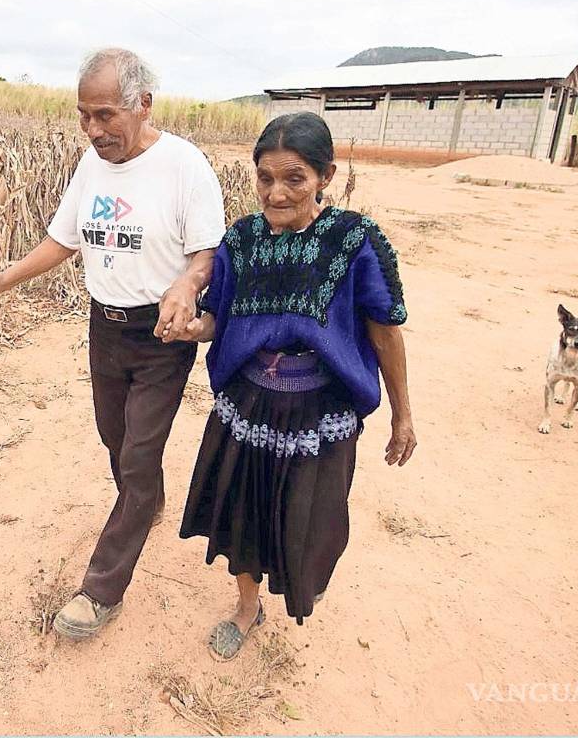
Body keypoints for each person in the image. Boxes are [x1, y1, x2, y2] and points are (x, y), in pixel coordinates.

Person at [0, 47, 227, 639]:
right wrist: (6, 278)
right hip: (104, 328)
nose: (93, 129)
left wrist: (188, 284)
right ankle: (147, 500)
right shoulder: (90, 167)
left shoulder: (184, 165)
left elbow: (207, 251)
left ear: (143, 105)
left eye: (106, 115)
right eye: (85, 115)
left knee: (136, 456)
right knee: (116, 438)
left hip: (162, 334)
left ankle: (101, 589)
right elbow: (64, 240)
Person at [169, 111, 416, 661]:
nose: (276, 193)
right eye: (265, 178)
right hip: (250, 403)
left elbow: (385, 329)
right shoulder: (242, 239)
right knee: (243, 509)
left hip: (318, 411)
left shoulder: (355, 241)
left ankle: (304, 576)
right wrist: (192, 327)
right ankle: (246, 606)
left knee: (313, 515)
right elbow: (220, 318)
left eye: (294, 178)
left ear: (326, 176)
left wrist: (403, 414)